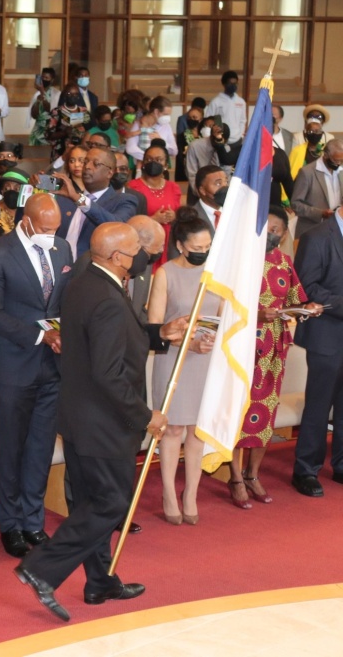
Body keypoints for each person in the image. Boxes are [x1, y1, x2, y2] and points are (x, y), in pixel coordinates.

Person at [15, 223, 189, 622]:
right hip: (104, 424)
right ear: (116, 257)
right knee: (112, 503)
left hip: (79, 418)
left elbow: (114, 339)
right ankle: (41, 569)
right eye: (135, 252)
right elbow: (110, 373)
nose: (140, 259)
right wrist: (146, 417)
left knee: (93, 503)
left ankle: (100, 581)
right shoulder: (107, 296)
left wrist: (159, 334)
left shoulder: (83, 281)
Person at [0, 194, 72, 557]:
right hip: (12, 366)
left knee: (41, 447)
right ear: (28, 222)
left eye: (56, 229)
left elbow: (63, 301)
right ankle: (10, 524)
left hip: (53, 365)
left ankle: (34, 521)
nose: (52, 236)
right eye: (45, 230)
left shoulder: (62, 249)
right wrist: (40, 334)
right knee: (13, 447)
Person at [229, 209, 322, 504]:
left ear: (283, 235)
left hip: (273, 350)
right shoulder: (239, 261)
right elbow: (225, 305)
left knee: (265, 413)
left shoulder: (284, 262)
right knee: (237, 412)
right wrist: (257, 313)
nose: (270, 232)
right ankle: (233, 476)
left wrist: (309, 308)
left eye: (275, 229)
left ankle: (252, 474)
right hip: (242, 347)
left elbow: (296, 299)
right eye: (265, 227)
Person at [147, 208, 219, 524]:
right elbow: (155, 326)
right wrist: (188, 342)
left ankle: (190, 492)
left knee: (197, 430)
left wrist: (213, 341)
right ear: (180, 245)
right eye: (197, 249)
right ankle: (166, 490)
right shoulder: (165, 274)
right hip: (174, 358)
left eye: (207, 249)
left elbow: (226, 318)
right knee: (173, 427)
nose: (203, 254)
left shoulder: (217, 274)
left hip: (207, 359)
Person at [290, 206, 343, 498]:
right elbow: (305, 287)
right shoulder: (317, 237)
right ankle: (305, 469)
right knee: (319, 405)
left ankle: (341, 463)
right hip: (326, 334)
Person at [53, 147, 136, 257]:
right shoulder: (65, 198)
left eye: (96, 164)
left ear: (110, 172)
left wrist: (79, 199)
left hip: (88, 269)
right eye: (85, 162)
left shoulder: (124, 200)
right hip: (58, 265)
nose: (87, 167)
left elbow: (116, 225)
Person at [127, 144, 181, 262]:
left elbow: (178, 214)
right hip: (143, 244)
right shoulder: (133, 187)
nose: (153, 162)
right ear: (143, 163)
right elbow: (127, 221)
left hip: (168, 244)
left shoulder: (173, 187)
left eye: (158, 160)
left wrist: (173, 216)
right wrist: (153, 219)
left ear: (166, 165)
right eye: (149, 159)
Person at [290, 138, 343, 238]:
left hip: (336, 229)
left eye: (341, 161)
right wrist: (321, 213)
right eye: (336, 160)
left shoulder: (341, 171)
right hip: (311, 230)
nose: (338, 164)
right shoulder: (307, 172)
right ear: (326, 155)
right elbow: (295, 204)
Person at [124, 97, 177, 161]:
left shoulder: (166, 126)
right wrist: (150, 158)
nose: (168, 117)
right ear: (156, 111)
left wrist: (161, 141)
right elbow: (130, 148)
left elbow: (174, 151)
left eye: (169, 115)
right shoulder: (139, 124)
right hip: (142, 165)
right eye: (165, 114)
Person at [205, 70, 247, 143]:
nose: (233, 86)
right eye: (230, 83)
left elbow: (242, 120)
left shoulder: (241, 102)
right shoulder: (216, 102)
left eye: (235, 83)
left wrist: (240, 135)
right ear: (224, 84)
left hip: (237, 139)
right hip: (221, 138)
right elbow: (208, 121)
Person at [28, 68, 61, 146]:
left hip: (49, 131)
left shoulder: (56, 93)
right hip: (37, 130)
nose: (44, 79)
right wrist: (38, 101)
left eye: (47, 78)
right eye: (42, 77)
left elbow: (51, 111)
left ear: (52, 80)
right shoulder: (37, 94)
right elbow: (34, 115)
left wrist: (42, 92)